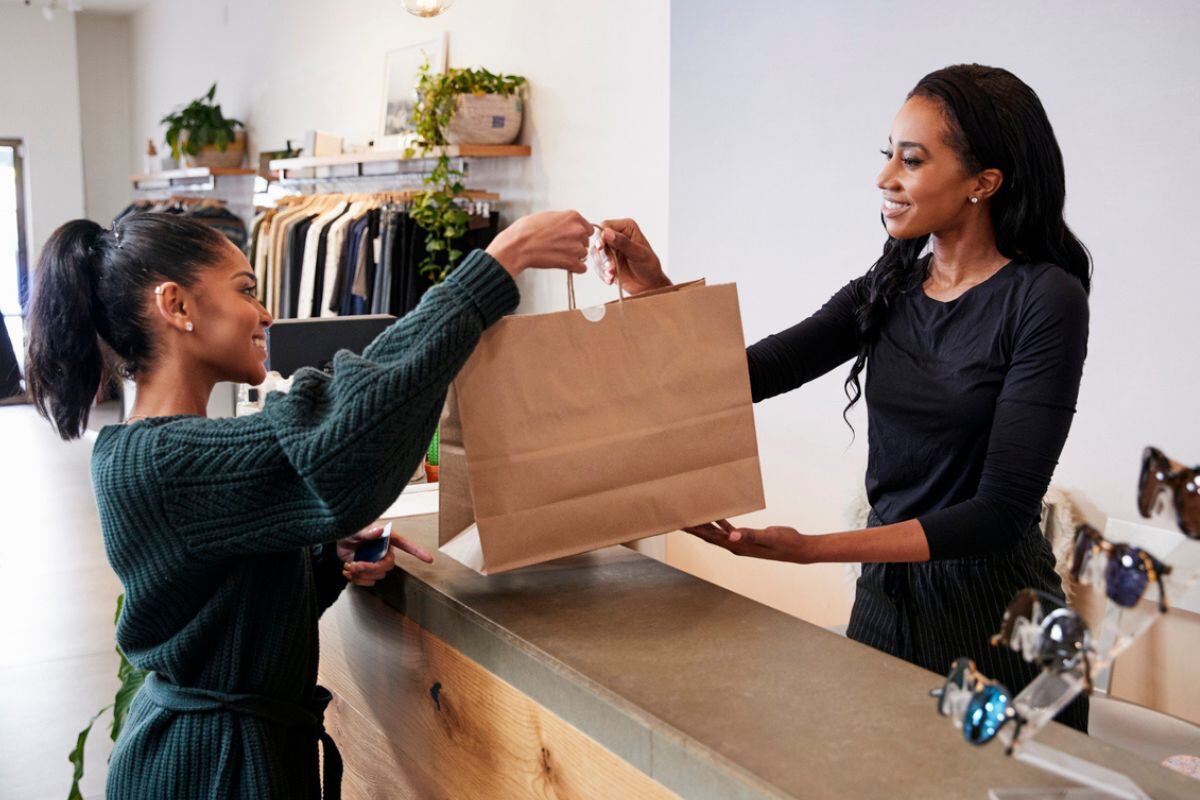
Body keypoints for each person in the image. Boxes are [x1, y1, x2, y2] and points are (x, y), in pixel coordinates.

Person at [24, 209, 590, 798]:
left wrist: (325, 555)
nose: (265, 313)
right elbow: (340, 435)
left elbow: (226, 607)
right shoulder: (157, 461)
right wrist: (498, 263)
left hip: (224, 758)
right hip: (208, 773)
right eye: (246, 291)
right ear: (177, 306)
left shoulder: (168, 449)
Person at [598, 64, 1090, 732]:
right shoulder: (887, 289)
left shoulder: (1045, 299)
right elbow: (738, 378)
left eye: (911, 161)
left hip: (999, 629)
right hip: (884, 613)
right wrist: (651, 288)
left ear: (983, 183)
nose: (885, 177)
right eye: (887, 154)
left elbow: (999, 513)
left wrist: (810, 548)